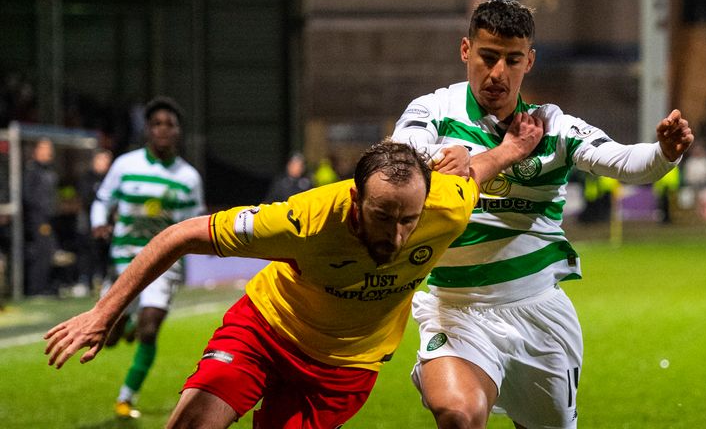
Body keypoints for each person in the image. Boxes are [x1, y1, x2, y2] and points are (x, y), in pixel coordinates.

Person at [44, 131, 543, 429]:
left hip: (345, 365)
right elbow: (179, 235)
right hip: (266, 329)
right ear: (353, 200)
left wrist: (514, 145)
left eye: (407, 220)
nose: (395, 236)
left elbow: (479, 168)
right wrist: (103, 313)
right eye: (381, 216)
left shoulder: (446, 206)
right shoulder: (303, 220)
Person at [390, 0, 695, 428]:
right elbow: (404, 157)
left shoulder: (552, 127)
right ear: (465, 50)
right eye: (488, 56)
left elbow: (625, 161)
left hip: (537, 312)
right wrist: (483, 155)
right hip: (455, 309)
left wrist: (665, 151)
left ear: (529, 60)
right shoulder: (434, 111)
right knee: (458, 414)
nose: (498, 72)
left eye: (513, 60)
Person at [89, 96, 205, 419]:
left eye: (170, 124)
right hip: (123, 261)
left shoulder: (188, 178)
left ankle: (125, 398)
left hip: (162, 265)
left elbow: (193, 224)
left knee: (151, 328)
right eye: (157, 124)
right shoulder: (125, 165)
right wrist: (99, 222)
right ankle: (124, 325)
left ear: (179, 131)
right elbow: (101, 200)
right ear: (147, 130)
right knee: (107, 340)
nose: (163, 130)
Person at [22, 137, 59, 297]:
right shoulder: (31, 171)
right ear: (36, 151)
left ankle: (44, 287)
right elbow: (27, 195)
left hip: (48, 218)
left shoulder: (49, 170)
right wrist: (40, 213)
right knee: (41, 252)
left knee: (48, 251)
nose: (49, 152)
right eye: (44, 148)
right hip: (38, 219)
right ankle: (36, 289)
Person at [75, 148, 113, 295]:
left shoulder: (110, 179)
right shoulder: (86, 178)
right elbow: (86, 199)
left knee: (104, 253)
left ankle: (104, 280)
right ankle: (85, 281)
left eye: (107, 161)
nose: (104, 164)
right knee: (87, 253)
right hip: (88, 224)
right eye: (101, 160)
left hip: (107, 225)